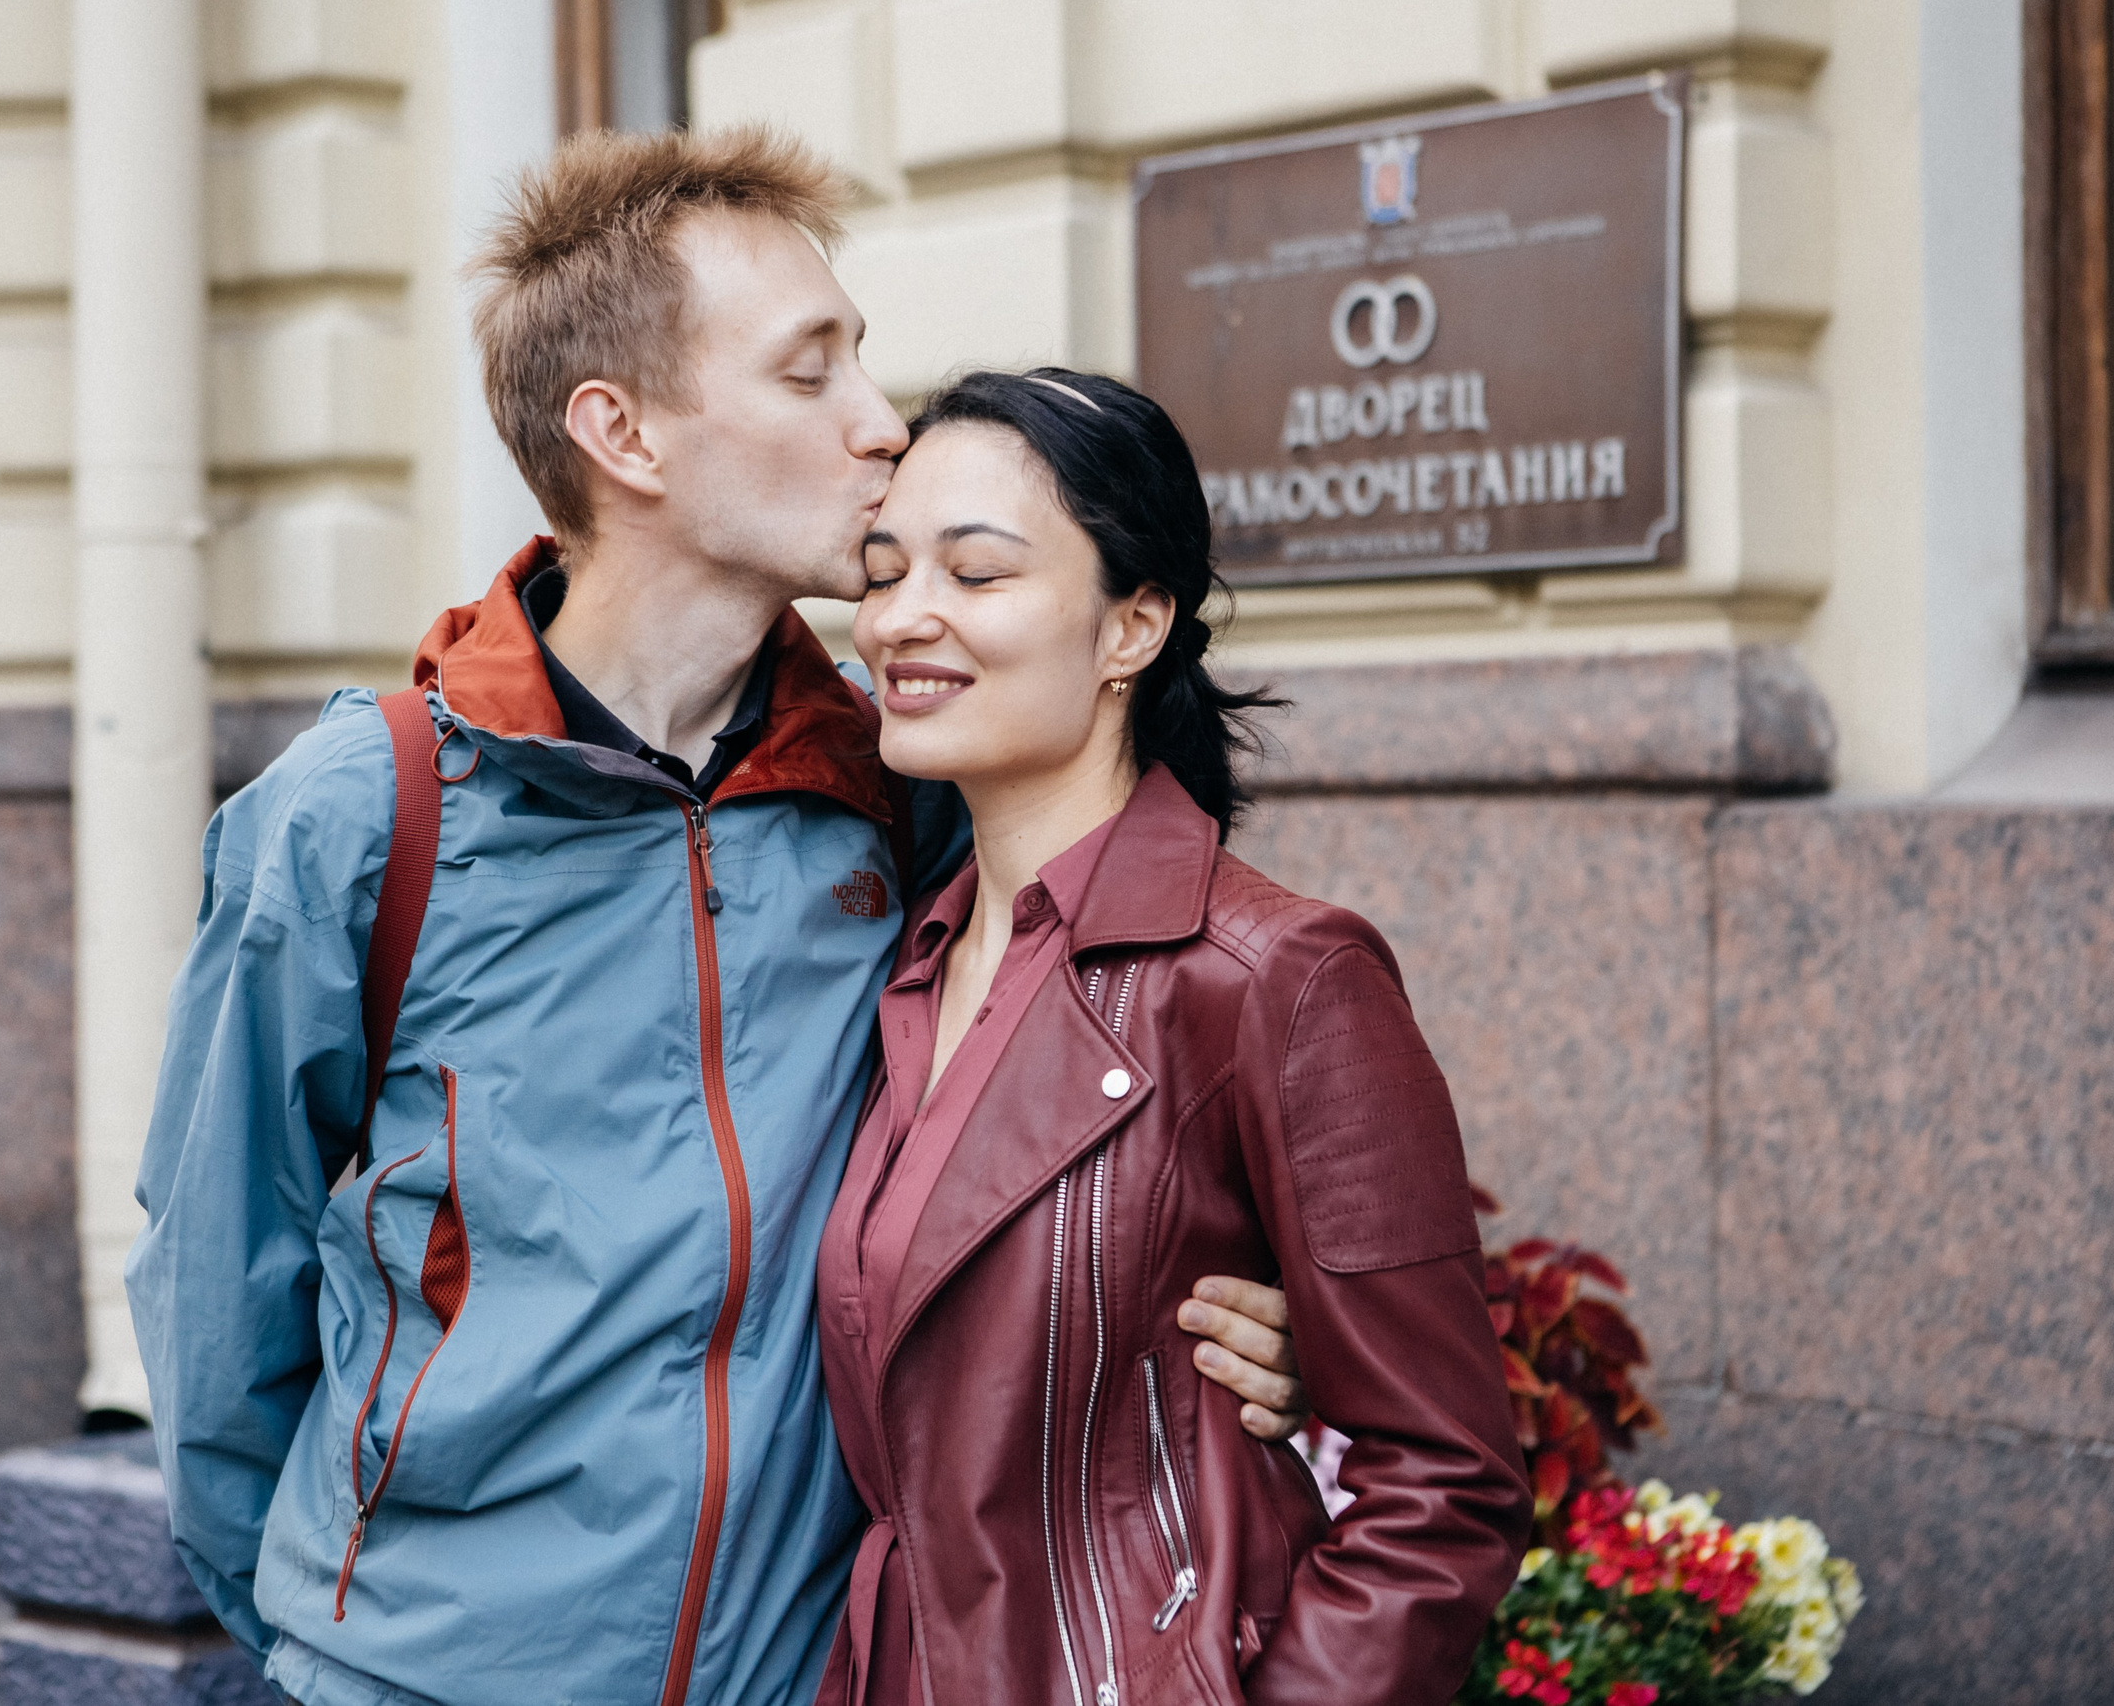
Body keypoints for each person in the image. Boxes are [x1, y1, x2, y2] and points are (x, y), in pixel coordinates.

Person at [125, 130, 1303, 1706]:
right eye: (810, 374)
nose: (882, 428)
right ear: (624, 433)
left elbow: (1103, 1110)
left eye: (861, 364)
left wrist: (1243, 1326)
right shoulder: (366, 814)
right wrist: (330, 1638)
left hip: (804, 1674)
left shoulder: (908, 793)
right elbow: (220, 1290)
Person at [816, 367, 1531, 1706]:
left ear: (1131, 626)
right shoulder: (906, 960)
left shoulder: (1275, 975)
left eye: (975, 576)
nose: (902, 618)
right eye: (881, 570)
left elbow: (1444, 1488)